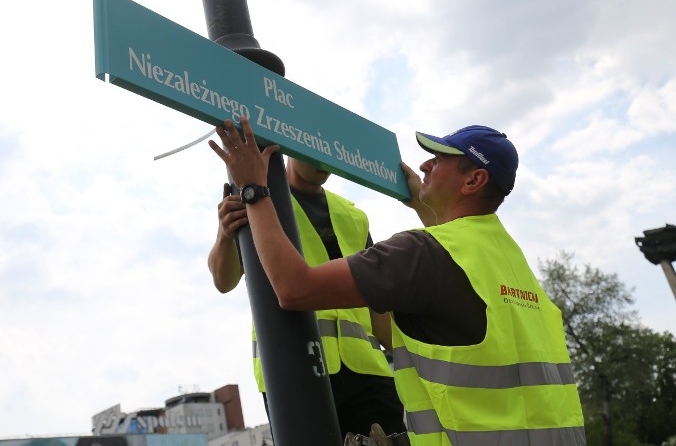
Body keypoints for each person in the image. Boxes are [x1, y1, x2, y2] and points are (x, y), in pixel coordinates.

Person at [209, 116, 586, 445]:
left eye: (439, 160)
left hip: (369, 375)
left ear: (474, 180)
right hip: (296, 371)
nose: (424, 165)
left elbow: (299, 288)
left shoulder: (383, 233)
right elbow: (448, 276)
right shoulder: (508, 257)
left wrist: (254, 189)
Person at [208, 157, 406, 440]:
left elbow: (377, 308)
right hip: (292, 368)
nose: (322, 162)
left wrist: (414, 358)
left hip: (369, 371)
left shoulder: (354, 216)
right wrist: (225, 235)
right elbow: (223, 281)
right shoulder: (260, 202)